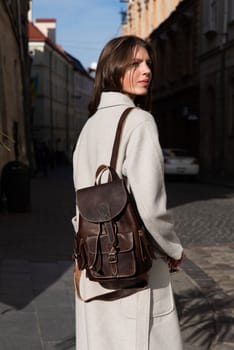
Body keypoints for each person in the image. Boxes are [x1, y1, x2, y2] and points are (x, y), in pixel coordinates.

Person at [72, 35, 184, 350]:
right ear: (113, 68)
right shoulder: (139, 121)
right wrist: (173, 249)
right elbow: (151, 207)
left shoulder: (89, 127)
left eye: (148, 63)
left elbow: (79, 203)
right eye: (135, 63)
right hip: (135, 264)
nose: (146, 70)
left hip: (94, 261)